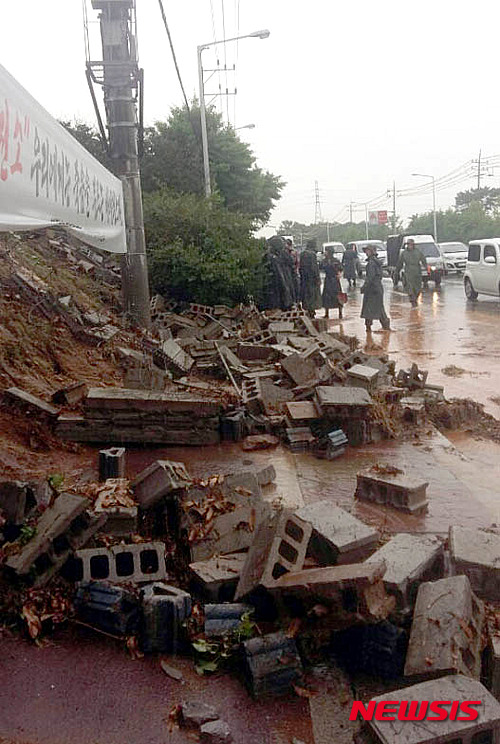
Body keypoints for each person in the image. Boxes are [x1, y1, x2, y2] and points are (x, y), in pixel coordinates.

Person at [360, 244, 391, 331]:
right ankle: (384, 327)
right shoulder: (376, 262)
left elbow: (370, 277)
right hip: (377, 288)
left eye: (367, 251)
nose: (366, 252)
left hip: (372, 289)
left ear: (371, 252)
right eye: (366, 251)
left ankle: (369, 328)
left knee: (369, 308)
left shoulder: (371, 264)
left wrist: (364, 287)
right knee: (378, 307)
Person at [263, 236, 295, 310]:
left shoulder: (271, 256)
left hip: (274, 287)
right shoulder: (273, 258)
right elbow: (280, 277)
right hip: (275, 287)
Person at [395, 238, 428, 307]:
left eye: (411, 244)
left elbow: (423, 260)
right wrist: (397, 271)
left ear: (413, 245)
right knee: (410, 287)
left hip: (417, 271)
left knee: (418, 287)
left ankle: (415, 298)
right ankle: (412, 300)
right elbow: (400, 262)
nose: (410, 246)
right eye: (408, 244)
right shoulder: (404, 253)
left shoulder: (418, 251)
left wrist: (426, 268)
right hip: (408, 272)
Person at [299, 239, 322, 317]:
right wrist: (318, 278)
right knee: (312, 295)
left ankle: (308, 310)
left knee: (306, 295)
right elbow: (314, 268)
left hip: (304, 279)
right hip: (312, 279)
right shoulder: (312, 255)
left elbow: (300, 267)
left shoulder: (302, 254)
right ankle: (312, 311)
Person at [321, 246, 344, 319]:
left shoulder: (336, 260)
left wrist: (339, 274)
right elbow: (320, 267)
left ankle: (340, 313)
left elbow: (341, 268)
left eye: (326, 251)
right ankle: (326, 313)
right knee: (327, 296)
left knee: (338, 295)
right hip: (328, 279)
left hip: (334, 280)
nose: (325, 252)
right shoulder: (324, 261)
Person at [285, 238, 300, 303]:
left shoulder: (293, 252)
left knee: (295, 287)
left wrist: (296, 270)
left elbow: (297, 262)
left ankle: (296, 301)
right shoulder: (285, 252)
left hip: (293, 272)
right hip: (288, 273)